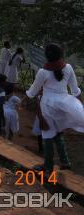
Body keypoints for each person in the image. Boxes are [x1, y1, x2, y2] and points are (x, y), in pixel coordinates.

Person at [26, 43, 84, 174]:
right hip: (63, 105)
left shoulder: (43, 72)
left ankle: (48, 166)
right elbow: (75, 91)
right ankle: (65, 161)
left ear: (46, 56)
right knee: (58, 133)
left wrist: (28, 95)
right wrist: (80, 106)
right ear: (60, 55)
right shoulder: (68, 68)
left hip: (48, 106)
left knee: (47, 134)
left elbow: (33, 92)